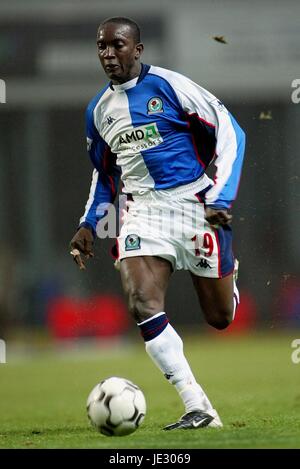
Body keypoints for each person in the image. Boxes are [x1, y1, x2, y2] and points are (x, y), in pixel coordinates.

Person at [70, 16, 245, 430]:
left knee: (220, 319)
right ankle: (197, 405)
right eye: (102, 47)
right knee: (141, 301)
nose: (109, 54)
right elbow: (105, 174)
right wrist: (89, 224)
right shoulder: (98, 110)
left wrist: (220, 197)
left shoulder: (171, 86)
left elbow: (230, 132)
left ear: (138, 49)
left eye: (118, 45)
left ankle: (229, 275)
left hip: (194, 205)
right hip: (143, 212)